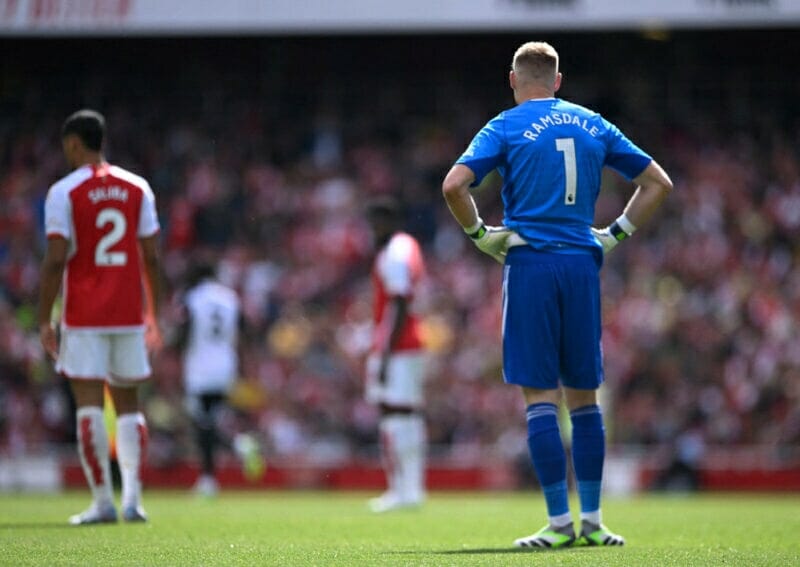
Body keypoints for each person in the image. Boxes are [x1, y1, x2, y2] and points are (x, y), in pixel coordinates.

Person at [442, 42, 672, 548]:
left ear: (512, 79)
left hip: (530, 264)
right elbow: (658, 183)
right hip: (582, 265)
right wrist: (615, 234)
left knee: (541, 398)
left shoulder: (504, 126)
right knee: (585, 400)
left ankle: (558, 524)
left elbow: (454, 185)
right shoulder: (594, 123)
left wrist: (481, 236)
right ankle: (592, 520)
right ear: (559, 80)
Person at [38, 109, 161, 525]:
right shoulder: (137, 187)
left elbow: (56, 260)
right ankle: (134, 501)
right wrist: (153, 313)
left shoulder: (63, 192)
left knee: (88, 406)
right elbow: (153, 257)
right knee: (129, 406)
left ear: (74, 142)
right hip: (128, 313)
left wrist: (43, 317)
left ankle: (102, 503)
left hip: (85, 315)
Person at [175, 260, 264, 497]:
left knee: (202, 423)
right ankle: (238, 444)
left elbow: (184, 331)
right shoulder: (230, 297)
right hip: (225, 365)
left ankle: (209, 478)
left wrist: (174, 350)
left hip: (199, 367)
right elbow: (246, 328)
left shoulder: (192, 297)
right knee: (214, 419)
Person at [364, 197, 428, 513]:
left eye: (374, 223)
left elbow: (400, 302)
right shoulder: (408, 245)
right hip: (411, 344)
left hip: (398, 347)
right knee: (409, 415)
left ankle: (400, 490)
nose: (371, 231)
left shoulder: (393, 254)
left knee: (393, 414)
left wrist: (386, 354)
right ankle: (412, 489)